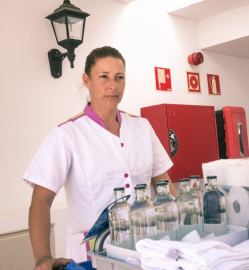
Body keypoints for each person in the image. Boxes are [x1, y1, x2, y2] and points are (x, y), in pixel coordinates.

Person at [24, 46, 177, 270]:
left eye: (119, 77)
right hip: (93, 253)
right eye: (103, 77)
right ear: (87, 80)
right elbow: (41, 200)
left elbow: (165, 186)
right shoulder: (67, 134)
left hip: (148, 247)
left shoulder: (142, 127)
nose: (112, 85)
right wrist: (42, 258)